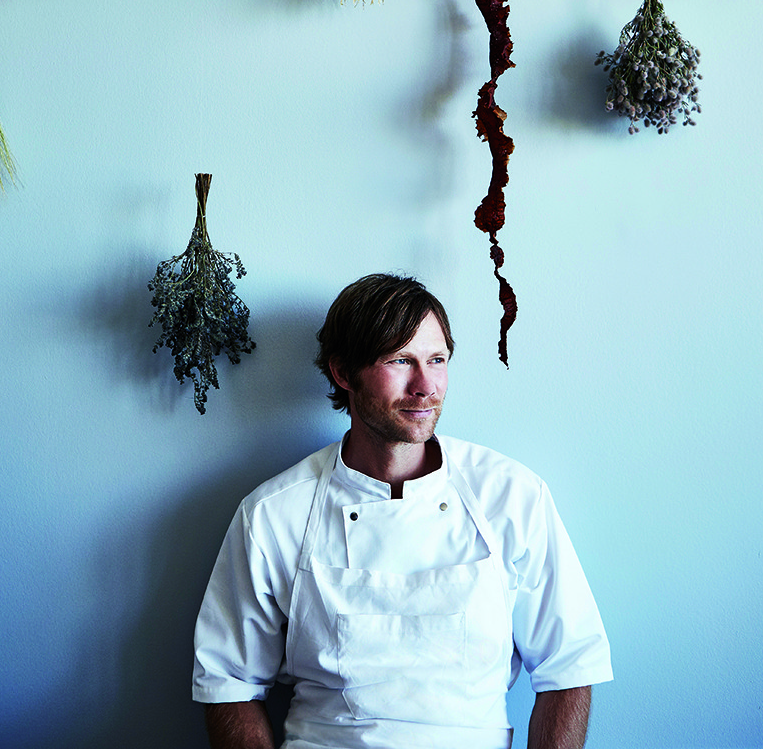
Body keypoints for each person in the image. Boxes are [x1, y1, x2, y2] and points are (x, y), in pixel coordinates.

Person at [193, 274, 612, 748]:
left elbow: (570, 667)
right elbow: (227, 683)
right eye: (400, 361)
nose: (425, 386)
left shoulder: (512, 496)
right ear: (343, 373)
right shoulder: (273, 514)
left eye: (437, 360)